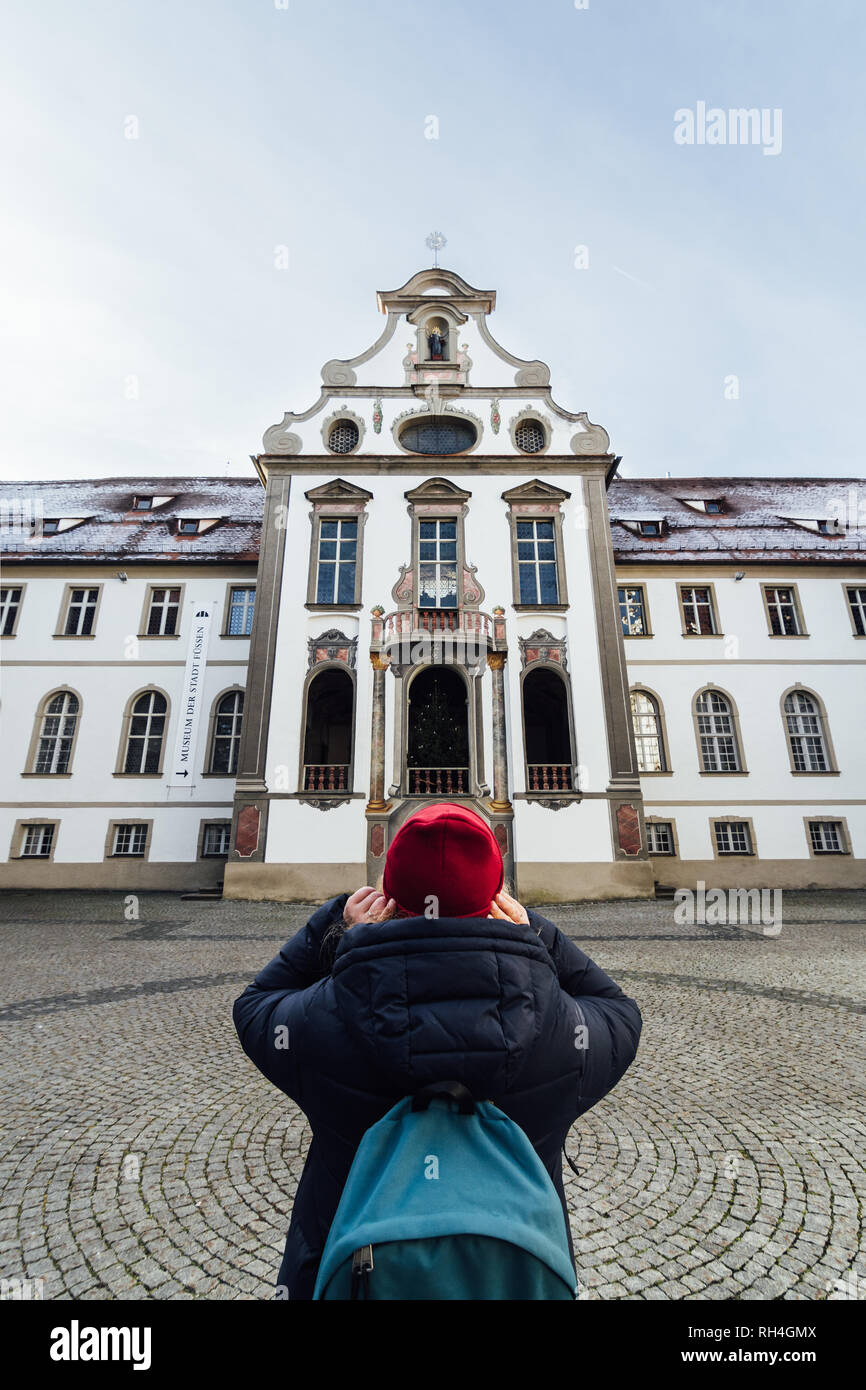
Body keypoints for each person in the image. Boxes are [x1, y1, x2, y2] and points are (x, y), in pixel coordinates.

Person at [232, 802, 642, 1300]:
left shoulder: (327, 1014)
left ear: (389, 892)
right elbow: (618, 1012)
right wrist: (535, 933)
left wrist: (335, 928)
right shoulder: (556, 1028)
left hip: (357, 1273)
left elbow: (256, 1007)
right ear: (496, 896)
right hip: (510, 1279)